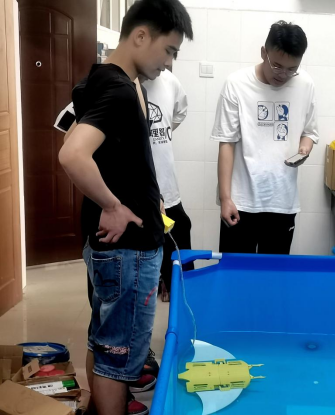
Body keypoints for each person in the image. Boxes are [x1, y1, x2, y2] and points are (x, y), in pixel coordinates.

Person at [58, 1, 193, 414]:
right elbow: (72, 154)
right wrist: (112, 204)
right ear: (140, 36)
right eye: (168, 50)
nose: (168, 63)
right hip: (127, 251)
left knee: (103, 344)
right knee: (117, 361)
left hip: (115, 249)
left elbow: (90, 147)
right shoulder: (119, 89)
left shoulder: (103, 80)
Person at [211, 20, 318, 254]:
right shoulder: (236, 84)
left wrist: (304, 148)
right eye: (277, 66)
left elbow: (309, 132)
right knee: (235, 272)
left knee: (274, 274)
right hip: (241, 202)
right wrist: (225, 198)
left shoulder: (305, 84)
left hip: (282, 202)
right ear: (263, 52)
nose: (283, 75)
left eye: (292, 68)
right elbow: (227, 142)